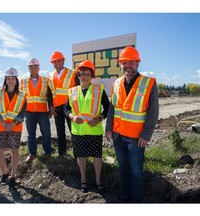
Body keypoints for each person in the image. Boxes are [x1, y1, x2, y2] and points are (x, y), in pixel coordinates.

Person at [105, 46, 159, 203]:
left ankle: (137, 201)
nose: (127, 65)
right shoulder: (116, 83)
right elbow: (112, 109)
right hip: (118, 136)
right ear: (120, 64)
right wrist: (108, 128)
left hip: (136, 138)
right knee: (123, 169)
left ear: (137, 63)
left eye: (131, 62)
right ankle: (125, 197)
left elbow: (153, 112)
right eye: (124, 62)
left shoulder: (148, 83)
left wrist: (146, 135)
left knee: (136, 172)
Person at [64, 60, 109, 193]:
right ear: (78, 76)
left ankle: (98, 180)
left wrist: (99, 119)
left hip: (94, 130)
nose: (84, 77)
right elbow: (66, 108)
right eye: (82, 74)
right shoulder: (72, 91)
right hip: (78, 131)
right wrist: (72, 117)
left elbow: (107, 108)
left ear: (92, 76)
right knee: (81, 156)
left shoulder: (99, 89)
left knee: (97, 156)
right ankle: (83, 179)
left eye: (87, 74)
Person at [0, 67, 26, 188]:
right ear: (5, 80)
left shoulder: (22, 95)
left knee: (14, 152)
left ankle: (13, 176)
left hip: (15, 127)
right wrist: (4, 124)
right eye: (9, 78)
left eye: (13, 78)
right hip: (2, 127)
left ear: (16, 80)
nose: (11, 80)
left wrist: (12, 124)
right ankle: (5, 173)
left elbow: (22, 113)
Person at [48, 51, 80, 157]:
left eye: (58, 61)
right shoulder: (50, 76)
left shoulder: (73, 73)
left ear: (63, 61)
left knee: (73, 130)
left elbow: (78, 90)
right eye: (54, 62)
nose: (57, 63)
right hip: (57, 107)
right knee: (60, 131)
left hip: (69, 107)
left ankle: (78, 154)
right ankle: (62, 153)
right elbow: (49, 93)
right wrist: (51, 106)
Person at [20, 58, 52, 162]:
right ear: (28, 69)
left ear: (38, 68)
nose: (33, 69)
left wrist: (51, 108)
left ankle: (47, 152)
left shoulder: (45, 80)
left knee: (46, 132)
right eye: (31, 67)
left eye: (35, 67)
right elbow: (20, 98)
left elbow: (49, 95)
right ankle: (32, 153)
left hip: (42, 111)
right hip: (29, 112)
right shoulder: (23, 82)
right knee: (31, 134)